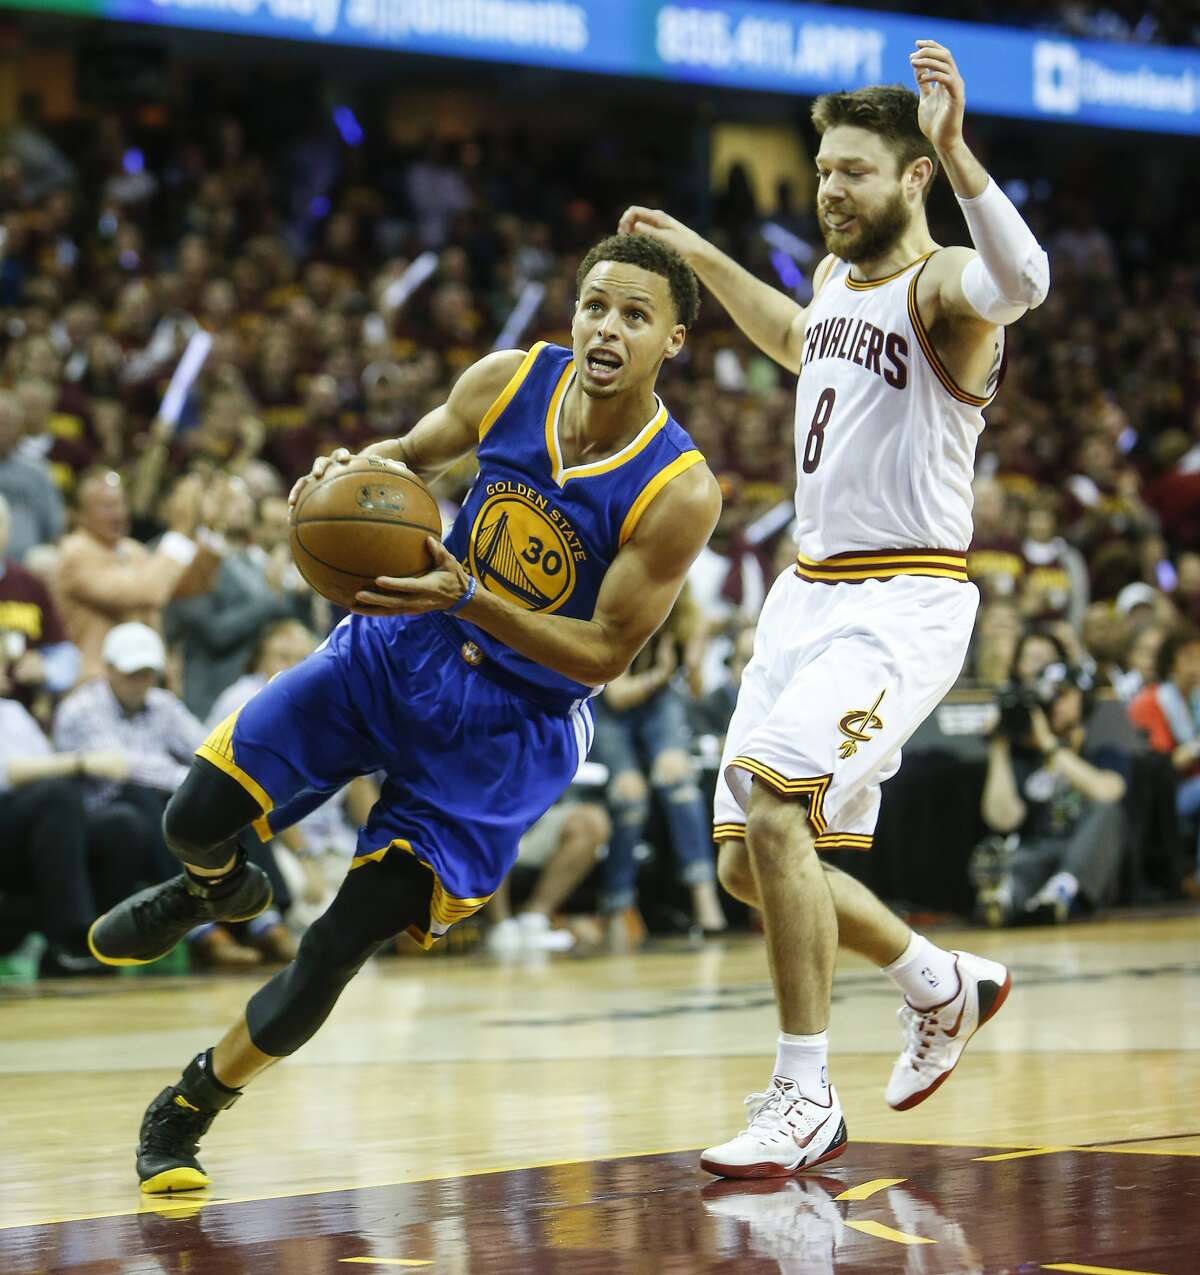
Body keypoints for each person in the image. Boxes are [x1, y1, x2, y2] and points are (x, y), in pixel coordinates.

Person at [87, 233, 721, 1193]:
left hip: (510, 727)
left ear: (672, 340)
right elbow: (405, 458)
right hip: (395, 649)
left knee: (339, 942)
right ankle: (217, 888)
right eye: (596, 305)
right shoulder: (510, 381)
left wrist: (466, 595)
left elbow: (604, 652)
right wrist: (342, 477)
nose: (607, 328)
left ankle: (189, 1104)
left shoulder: (680, 490)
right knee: (191, 819)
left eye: (635, 316)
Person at [621, 40, 1048, 1177]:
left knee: (770, 802)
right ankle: (939, 982)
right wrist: (697, 250)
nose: (828, 189)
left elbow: (1025, 284)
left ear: (912, 178)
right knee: (748, 865)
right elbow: (793, 338)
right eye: (822, 169)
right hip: (807, 599)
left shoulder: (943, 289)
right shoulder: (837, 283)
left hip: (901, 598)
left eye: (854, 169)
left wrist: (960, 151)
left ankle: (804, 1095)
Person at [974, 630, 1127, 926]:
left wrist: (1051, 747)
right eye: (1049, 696)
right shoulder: (1025, 752)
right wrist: (999, 746)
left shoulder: (1101, 745)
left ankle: (1061, 891)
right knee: (1018, 861)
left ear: (1083, 699)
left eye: (1063, 694)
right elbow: (1002, 819)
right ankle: (1004, 898)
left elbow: (1108, 793)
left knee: (1108, 813)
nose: (1055, 704)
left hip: (1085, 851)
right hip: (1040, 849)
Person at [1128, 627, 1200, 892]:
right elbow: (1162, 766)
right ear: (1170, 662)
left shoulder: (1196, 699)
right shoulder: (1152, 701)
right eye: (1189, 658)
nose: (1196, 666)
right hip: (1163, 797)